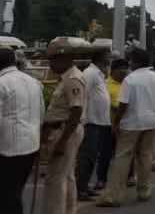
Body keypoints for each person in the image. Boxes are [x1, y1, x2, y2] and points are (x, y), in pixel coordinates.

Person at [97, 48, 155, 207]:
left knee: (122, 158)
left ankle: (113, 196)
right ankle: (144, 191)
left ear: (134, 61)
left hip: (131, 123)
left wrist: (116, 123)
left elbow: (123, 104)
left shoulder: (130, 79)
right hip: (151, 122)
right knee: (145, 157)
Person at [42, 38, 87, 214]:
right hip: (64, 130)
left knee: (55, 179)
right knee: (67, 176)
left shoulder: (72, 79)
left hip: (65, 131)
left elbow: (76, 110)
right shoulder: (67, 77)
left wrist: (62, 141)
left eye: (52, 59)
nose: (50, 63)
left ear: (65, 58)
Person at [0, 48, 44, 214]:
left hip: (8, 149)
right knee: (15, 190)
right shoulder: (33, 81)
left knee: (7, 194)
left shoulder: (2, 83)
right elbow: (41, 112)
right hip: (31, 144)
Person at [76, 48, 112, 201]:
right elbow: (83, 97)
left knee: (92, 156)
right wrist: (82, 120)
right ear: (100, 58)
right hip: (90, 122)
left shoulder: (98, 73)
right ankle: (80, 189)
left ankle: (85, 186)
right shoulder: (90, 73)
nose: (110, 58)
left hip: (99, 122)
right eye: (108, 56)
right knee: (87, 156)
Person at [95, 58, 130, 191]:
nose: (123, 73)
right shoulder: (104, 84)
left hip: (126, 124)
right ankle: (101, 179)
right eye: (120, 70)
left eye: (125, 70)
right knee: (105, 153)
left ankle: (128, 177)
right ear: (113, 71)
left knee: (125, 153)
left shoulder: (128, 83)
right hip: (108, 124)